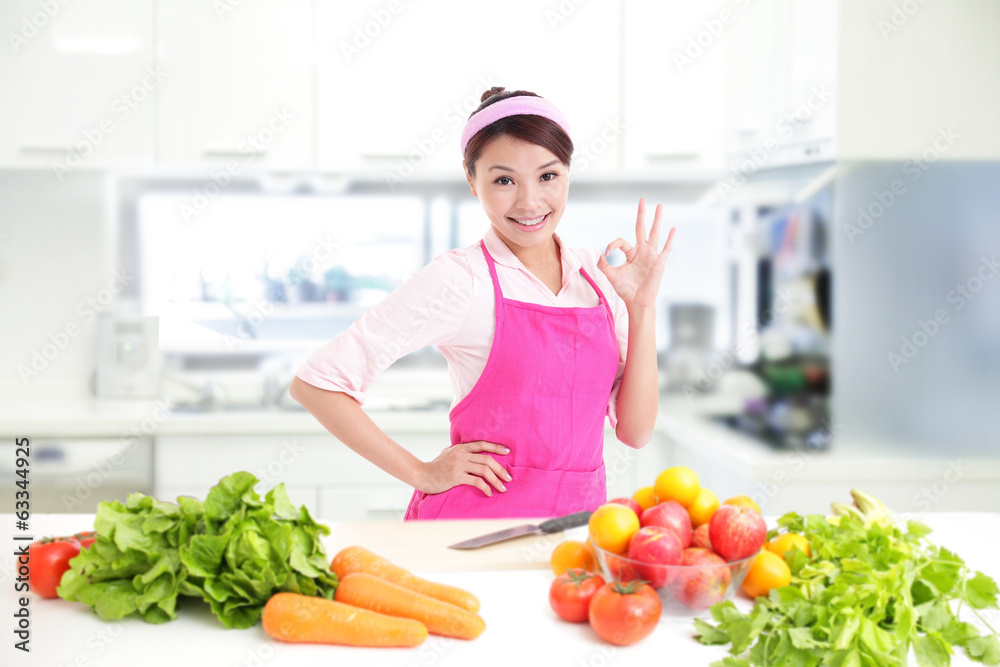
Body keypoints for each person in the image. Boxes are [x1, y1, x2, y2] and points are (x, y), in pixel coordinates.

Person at [290, 86, 676, 520]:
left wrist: (641, 308)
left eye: (548, 176)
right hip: (465, 537)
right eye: (504, 180)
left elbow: (636, 432)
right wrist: (422, 473)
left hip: (572, 534)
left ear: (568, 173)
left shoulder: (604, 279)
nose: (530, 202)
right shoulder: (462, 279)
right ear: (472, 180)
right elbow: (317, 383)